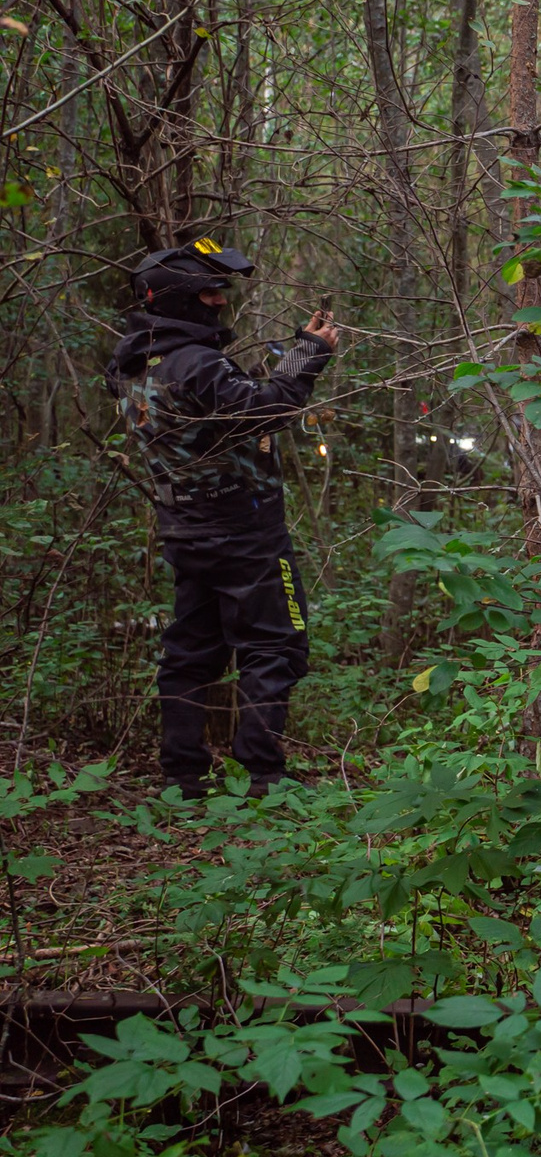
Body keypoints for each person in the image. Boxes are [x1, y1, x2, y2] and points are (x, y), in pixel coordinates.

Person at [106, 240, 339, 800]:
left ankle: (183, 776)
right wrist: (308, 357)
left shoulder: (134, 363)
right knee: (274, 646)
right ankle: (263, 776)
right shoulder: (195, 362)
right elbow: (264, 409)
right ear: (178, 296)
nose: (219, 301)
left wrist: (283, 364)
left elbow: (222, 409)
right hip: (243, 531)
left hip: (186, 530)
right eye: (209, 291)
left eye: (221, 290)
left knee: (191, 651)